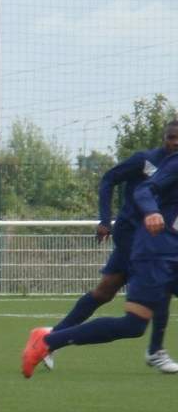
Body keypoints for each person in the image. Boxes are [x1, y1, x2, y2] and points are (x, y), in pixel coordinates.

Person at [23, 133, 178, 378]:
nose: (175, 142)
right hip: (147, 245)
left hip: (163, 248)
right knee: (139, 316)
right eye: (173, 137)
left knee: (105, 292)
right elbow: (132, 187)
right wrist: (132, 215)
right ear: (164, 138)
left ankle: (50, 337)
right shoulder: (149, 160)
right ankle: (50, 341)